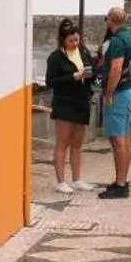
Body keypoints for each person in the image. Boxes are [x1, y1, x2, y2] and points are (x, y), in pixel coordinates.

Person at [96, 7, 131, 199]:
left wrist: (108, 93)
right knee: (125, 136)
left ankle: (120, 184)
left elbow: (115, 67)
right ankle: (122, 179)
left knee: (117, 138)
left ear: (110, 20)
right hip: (130, 90)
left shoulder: (115, 41)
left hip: (119, 93)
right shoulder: (130, 38)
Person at [44, 19, 93, 193]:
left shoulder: (83, 52)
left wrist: (89, 75)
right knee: (62, 142)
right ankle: (60, 180)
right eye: (71, 41)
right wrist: (72, 77)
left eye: (77, 40)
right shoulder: (56, 57)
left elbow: (90, 67)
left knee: (77, 142)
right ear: (63, 40)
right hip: (65, 102)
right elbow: (50, 81)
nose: (74, 44)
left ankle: (77, 178)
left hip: (81, 101)